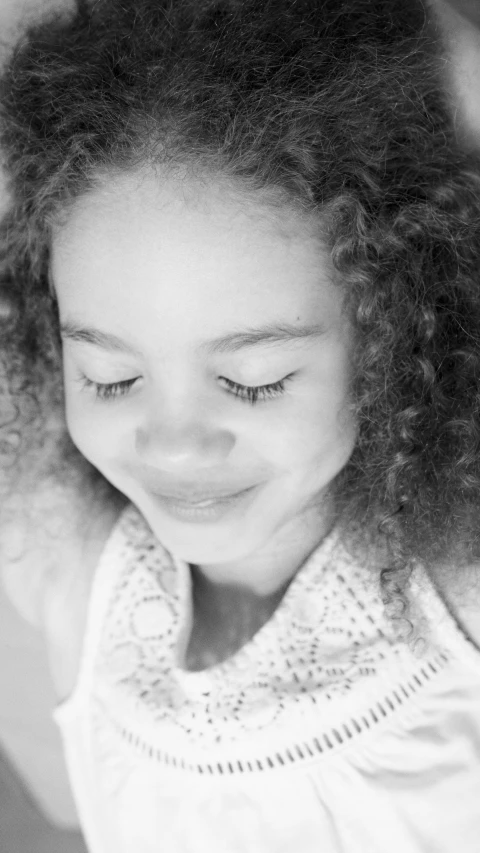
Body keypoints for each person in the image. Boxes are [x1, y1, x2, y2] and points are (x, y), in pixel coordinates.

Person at [1, 0, 480, 850]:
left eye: (253, 382)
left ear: (395, 330)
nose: (175, 443)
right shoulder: (73, 563)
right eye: (109, 378)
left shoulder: (460, 601)